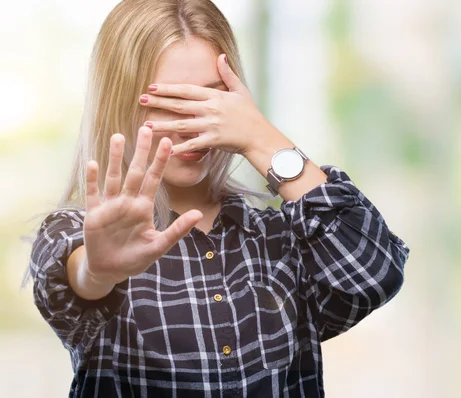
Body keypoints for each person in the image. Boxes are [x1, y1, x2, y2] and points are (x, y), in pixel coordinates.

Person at [27, 0, 409, 397]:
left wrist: (264, 139)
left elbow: (375, 275)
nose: (191, 126)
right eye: (167, 104)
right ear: (118, 103)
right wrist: (99, 271)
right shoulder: (75, 233)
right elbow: (75, 281)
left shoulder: (282, 236)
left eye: (211, 101)